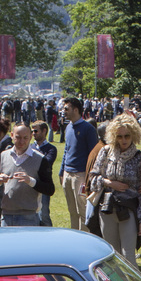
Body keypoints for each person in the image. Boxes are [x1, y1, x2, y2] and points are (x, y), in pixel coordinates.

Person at [86, 114, 141, 264]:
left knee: (128, 256)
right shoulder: (106, 152)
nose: (124, 140)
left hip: (128, 209)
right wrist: (109, 183)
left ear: (133, 135)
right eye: (120, 136)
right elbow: (93, 178)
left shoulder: (139, 157)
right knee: (111, 255)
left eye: (127, 136)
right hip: (107, 208)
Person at [0, 123, 47, 227]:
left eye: (25, 138)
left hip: (29, 216)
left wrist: (30, 181)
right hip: (6, 216)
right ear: (12, 135)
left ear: (30, 137)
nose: (22, 141)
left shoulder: (40, 159)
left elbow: (49, 189)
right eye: (18, 137)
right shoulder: (3, 156)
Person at [60, 97, 98, 232]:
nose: (63, 111)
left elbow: (93, 156)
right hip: (67, 173)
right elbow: (66, 150)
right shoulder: (68, 127)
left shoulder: (88, 129)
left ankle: (84, 238)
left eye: (66, 109)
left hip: (81, 175)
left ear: (76, 110)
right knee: (72, 210)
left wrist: (89, 178)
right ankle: (74, 237)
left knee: (82, 210)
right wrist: (61, 172)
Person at [31, 120, 59, 227]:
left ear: (44, 131)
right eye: (32, 131)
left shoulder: (51, 149)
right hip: (30, 184)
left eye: (36, 131)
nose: (33, 133)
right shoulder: (30, 147)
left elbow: (47, 163)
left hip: (43, 185)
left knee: (44, 215)